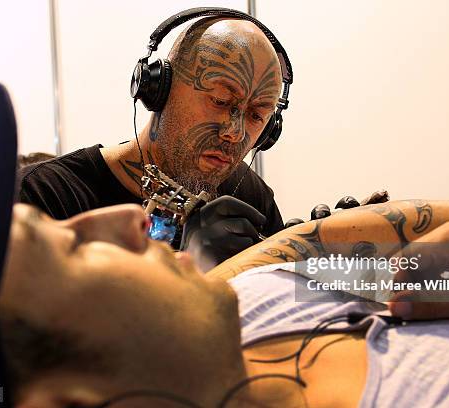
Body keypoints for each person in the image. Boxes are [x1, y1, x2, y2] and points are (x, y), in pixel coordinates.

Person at [0, 83, 449, 407]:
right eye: (68, 249)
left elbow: (448, 246)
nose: (125, 218)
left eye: (258, 112)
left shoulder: (241, 293)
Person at [17, 10, 287, 267]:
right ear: (159, 89)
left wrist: (317, 254)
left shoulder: (250, 195)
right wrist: (191, 266)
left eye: (256, 116)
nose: (235, 132)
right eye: (220, 100)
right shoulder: (45, 194)